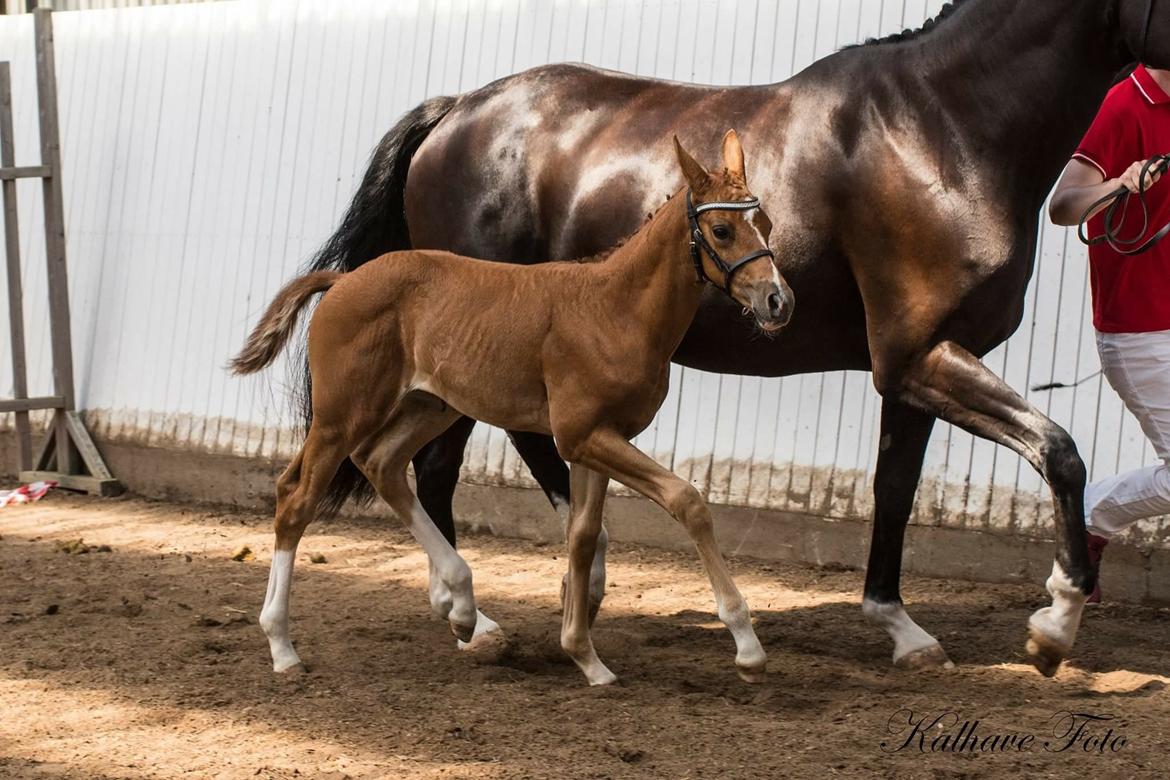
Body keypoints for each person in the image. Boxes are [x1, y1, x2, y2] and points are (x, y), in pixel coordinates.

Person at [1049, 64, 1170, 603]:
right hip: (1141, 329)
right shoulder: (1124, 103)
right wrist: (1122, 184)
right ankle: (1091, 516)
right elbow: (1062, 205)